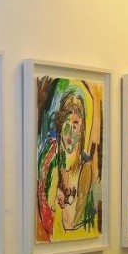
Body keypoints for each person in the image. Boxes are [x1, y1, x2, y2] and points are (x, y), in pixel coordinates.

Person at [36, 81, 98, 242]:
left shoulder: (85, 168)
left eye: (75, 124)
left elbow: (72, 222)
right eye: (66, 123)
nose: (70, 132)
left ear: (82, 127)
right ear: (59, 123)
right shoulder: (50, 159)